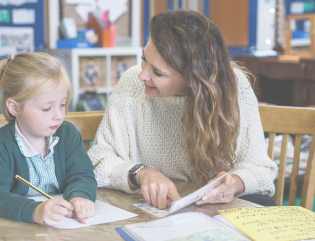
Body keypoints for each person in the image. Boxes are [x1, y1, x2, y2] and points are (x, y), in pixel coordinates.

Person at [88, 9, 278, 209]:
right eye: (144, 58)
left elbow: (260, 170)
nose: (142, 75)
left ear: (194, 79)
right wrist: (141, 173)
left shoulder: (234, 86)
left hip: (216, 212)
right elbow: (98, 161)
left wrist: (234, 184)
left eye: (158, 72)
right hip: (154, 211)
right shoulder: (131, 84)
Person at [0, 52, 97, 226]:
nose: (58, 115)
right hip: (18, 231)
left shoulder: (68, 135)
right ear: (15, 107)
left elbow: (82, 175)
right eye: (46, 108)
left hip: (65, 228)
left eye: (62, 104)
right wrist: (34, 211)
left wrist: (80, 196)